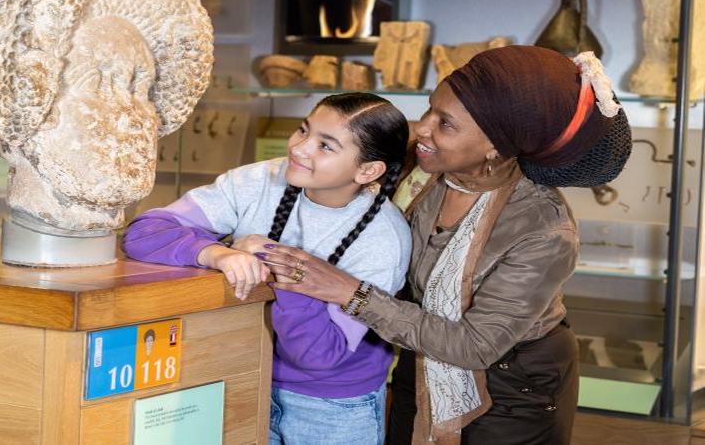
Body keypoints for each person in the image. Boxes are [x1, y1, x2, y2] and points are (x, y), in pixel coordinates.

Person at [259, 46, 631, 445]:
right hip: (416, 360)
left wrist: (347, 291)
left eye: (446, 124)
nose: (421, 128)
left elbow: (476, 345)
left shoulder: (543, 229)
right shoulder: (418, 167)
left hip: (512, 386)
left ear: (495, 146)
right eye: (429, 108)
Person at [123, 92, 412, 444]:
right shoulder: (260, 180)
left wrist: (267, 255)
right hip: (242, 375)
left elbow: (319, 354)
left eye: (326, 146)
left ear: (368, 170)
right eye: (304, 130)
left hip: (331, 408)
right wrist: (216, 253)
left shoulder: (384, 239)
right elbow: (144, 232)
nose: (300, 148)